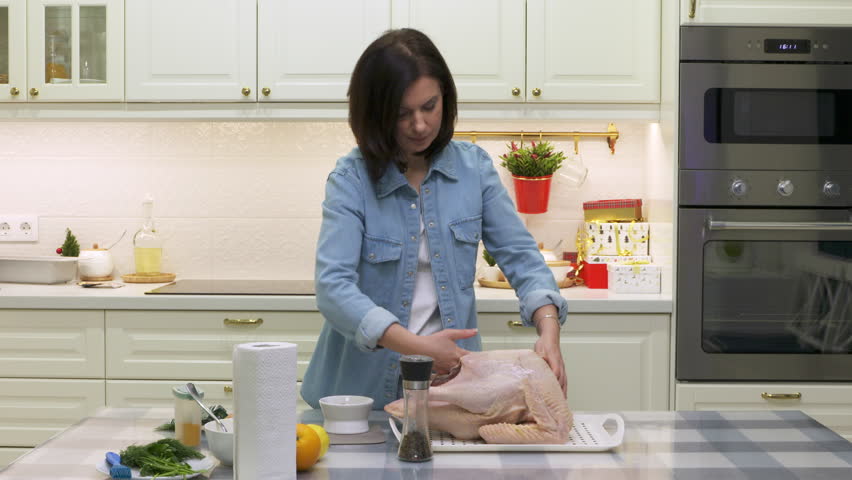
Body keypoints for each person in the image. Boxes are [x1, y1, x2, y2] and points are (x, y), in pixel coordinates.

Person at [301, 28, 568, 410]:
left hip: (454, 389)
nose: (421, 125)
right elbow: (333, 289)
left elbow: (522, 257)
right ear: (374, 114)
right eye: (402, 113)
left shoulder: (473, 169)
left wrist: (548, 325)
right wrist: (418, 349)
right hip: (359, 400)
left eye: (429, 106)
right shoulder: (351, 180)